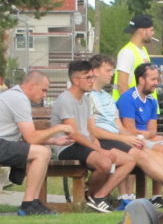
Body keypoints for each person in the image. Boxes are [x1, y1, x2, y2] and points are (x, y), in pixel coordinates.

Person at [0, 70, 75, 216]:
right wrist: (59, 128)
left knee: (42, 149)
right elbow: (32, 138)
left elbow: (29, 137)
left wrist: (54, 140)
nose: (45, 95)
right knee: (42, 152)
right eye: (43, 90)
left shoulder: (16, 96)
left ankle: (33, 201)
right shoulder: (18, 99)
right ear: (32, 85)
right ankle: (28, 205)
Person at [87, 53, 163, 210]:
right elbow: (94, 131)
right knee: (141, 155)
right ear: (95, 71)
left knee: (157, 154)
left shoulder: (107, 97)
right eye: (108, 70)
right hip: (103, 140)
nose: (112, 74)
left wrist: (135, 137)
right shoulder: (88, 96)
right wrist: (124, 139)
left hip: (116, 138)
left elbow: (119, 126)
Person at [51, 60, 135, 213]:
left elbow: (90, 130)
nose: (92, 81)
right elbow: (74, 134)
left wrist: (96, 143)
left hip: (84, 143)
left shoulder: (86, 99)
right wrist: (100, 150)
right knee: (105, 163)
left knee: (129, 160)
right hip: (67, 145)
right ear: (76, 81)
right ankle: (92, 197)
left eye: (92, 77)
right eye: (88, 78)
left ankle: (98, 197)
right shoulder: (65, 100)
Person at [116, 62, 163, 209]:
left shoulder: (151, 100)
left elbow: (153, 129)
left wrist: (148, 135)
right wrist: (148, 136)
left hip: (148, 139)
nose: (156, 83)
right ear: (141, 80)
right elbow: (130, 131)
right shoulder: (128, 98)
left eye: (156, 79)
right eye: (153, 80)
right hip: (135, 141)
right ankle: (159, 196)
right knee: (161, 150)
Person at [113, 14, 156, 102]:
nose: (153, 33)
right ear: (142, 32)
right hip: (132, 111)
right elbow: (122, 83)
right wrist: (133, 108)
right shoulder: (127, 52)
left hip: (143, 108)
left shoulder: (143, 50)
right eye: (151, 30)